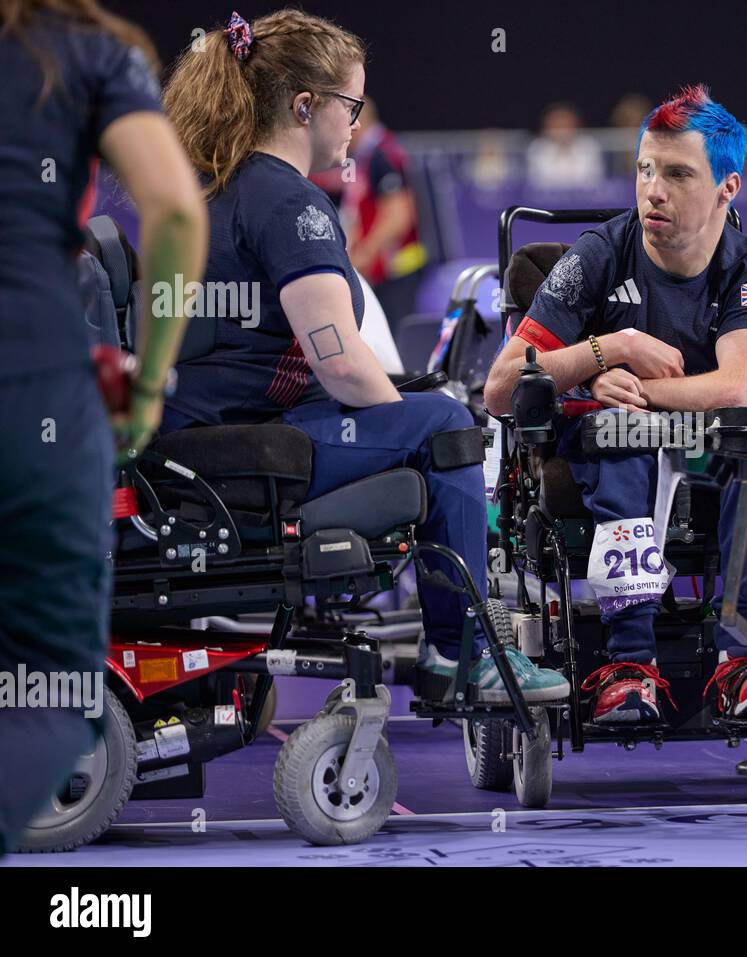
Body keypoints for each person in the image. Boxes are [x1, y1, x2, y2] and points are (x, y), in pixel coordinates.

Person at [158, 9, 567, 702]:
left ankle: (453, 644)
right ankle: (463, 654)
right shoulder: (290, 203)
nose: (355, 124)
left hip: (212, 432)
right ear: (304, 105)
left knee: (424, 410)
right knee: (445, 424)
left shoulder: (225, 187)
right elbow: (340, 363)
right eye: (350, 106)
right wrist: (433, 439)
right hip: (242, 448)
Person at [485, 85, 747, 724]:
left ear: (728, 188)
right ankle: (629, 662)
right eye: (645, 169)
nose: (653, 190)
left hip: (709, 454)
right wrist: (606, 350)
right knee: (622, 436)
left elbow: (735, 388)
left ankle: (744, 661)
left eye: (678, 174)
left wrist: (637, 388)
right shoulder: (597, 254)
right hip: (613, 452)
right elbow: (501, 388)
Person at [0, 0, 207, 852]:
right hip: (33, 389)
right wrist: (150, 379)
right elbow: (176, 212)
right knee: (50, 693)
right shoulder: (83, 53)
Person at [336, 97, 429, 330]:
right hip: (386, 272)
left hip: (399, 272)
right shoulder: (367, 154)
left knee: (397, 343)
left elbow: (399, 215)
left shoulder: (383, 153)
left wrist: (365, 254)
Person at [525, 102, 604, 190]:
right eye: (557, 126)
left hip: (584, 197)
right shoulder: (537, 147)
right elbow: (539, 180)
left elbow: (591, 178)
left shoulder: (588, 145)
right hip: (547, 197)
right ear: (546, 127)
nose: (562, 131)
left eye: (565, 125)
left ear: (576, 125)